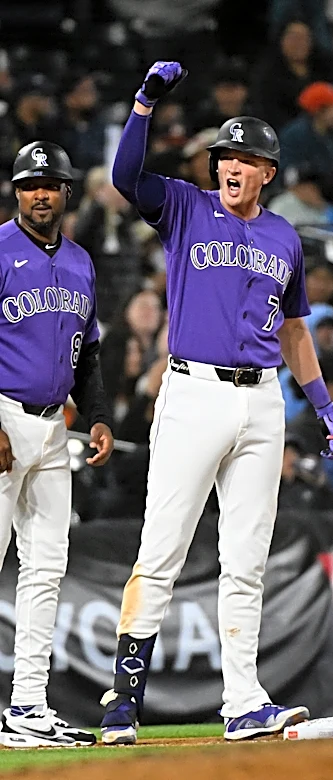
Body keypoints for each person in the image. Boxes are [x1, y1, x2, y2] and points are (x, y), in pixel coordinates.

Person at [98, 62, 333, 745]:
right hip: (193, 392)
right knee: (163, 548)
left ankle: (243, 701)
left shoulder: (285, 238)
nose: (231, 167)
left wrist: (323, 405)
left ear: (268, 171)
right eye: (223, 157)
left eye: (245, 158)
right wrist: (145, 103)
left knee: (247, 558)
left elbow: (295, 331)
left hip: (264, 401)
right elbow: (125, 179)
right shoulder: (185, 206)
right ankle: (124, 697)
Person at [0, 142, 114, 747]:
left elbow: (88, 351)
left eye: (49, 184)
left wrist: (96, 415)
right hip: (2, 416)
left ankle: (26, 707)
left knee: (46, 568)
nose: (39, 194)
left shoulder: (79, 262)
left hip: (51, 428)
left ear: (66, 192)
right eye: (28, 185)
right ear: (16, 192)